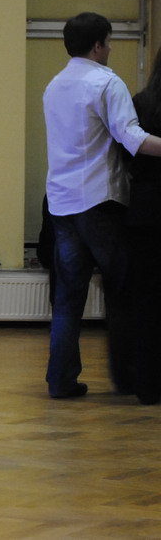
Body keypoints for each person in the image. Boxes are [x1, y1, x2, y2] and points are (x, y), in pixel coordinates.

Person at [42, 11, 161, 400]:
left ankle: (60, 380)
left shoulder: (54, 86)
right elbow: (133, 139)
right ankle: (132, 376)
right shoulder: (106, 82)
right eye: (109, 42)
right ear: (98, 45)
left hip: (61, 204)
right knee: (125, 290)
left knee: (67, 298)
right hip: (99, 201)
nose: (110, 48)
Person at [127, 46, 161, 405]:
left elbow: (127, 150)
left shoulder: (140, 102)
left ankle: (147, 383)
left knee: (146, 299)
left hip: (146, 207)